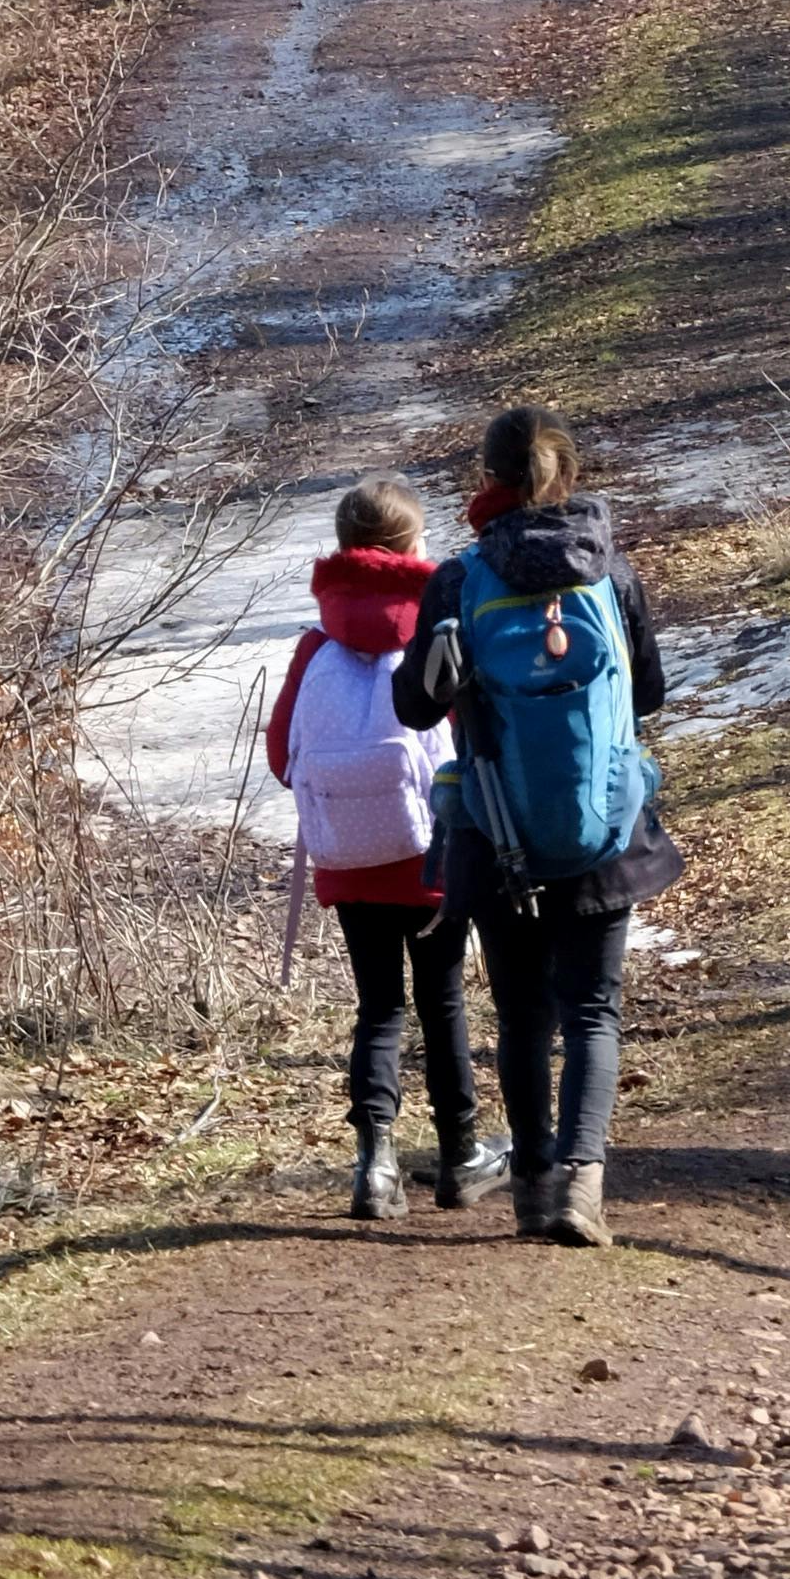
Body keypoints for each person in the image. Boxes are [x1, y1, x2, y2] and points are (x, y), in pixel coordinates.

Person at [394, 408, 680, 1248]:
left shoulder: (458, 580)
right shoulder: (609, 571)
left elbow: (414, 706)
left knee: (522, 1016)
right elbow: (648, 695)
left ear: (485, 480)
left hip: (496, 827)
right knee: (593, 1010)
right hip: (603, 827)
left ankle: (531, 1185)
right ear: (570, 475)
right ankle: (581, 1188)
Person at [266, 477, 511, 1225]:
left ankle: (375, 1166)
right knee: (441, 1004)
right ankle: (461, 1155)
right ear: (414, 548)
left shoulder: (314, 648)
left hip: (347, 855)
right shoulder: (440, 628)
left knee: (379, 1009)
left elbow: (283, 757)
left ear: (344, 550)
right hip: (431, 853)